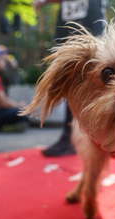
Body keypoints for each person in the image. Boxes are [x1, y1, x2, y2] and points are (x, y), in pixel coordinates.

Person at [34, 0, 107, 156]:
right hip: (69, 27)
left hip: (90, 23)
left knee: (93, 79)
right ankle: (73, 137)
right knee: (70, 80)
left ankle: (90, 136)